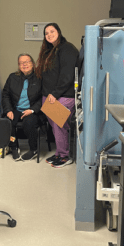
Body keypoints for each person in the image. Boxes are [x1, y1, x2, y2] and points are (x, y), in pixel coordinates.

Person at [35, 23, 79, 168]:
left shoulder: (67, 49)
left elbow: (67, 74)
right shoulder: (50, 51)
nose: (49, 35)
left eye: (52, 31)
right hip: (50, 96)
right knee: (55, 126)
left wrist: (55, 93)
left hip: (63, 94)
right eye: (46, 33)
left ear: (59, 32)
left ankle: (65, 156)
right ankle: (60, 153)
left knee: (59, 124)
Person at [2, 53, 42, 161]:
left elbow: (43, 97)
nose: (24, 64)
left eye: (27, 62)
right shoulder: (12, 77)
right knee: (8, 122)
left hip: (32, 110)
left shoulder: (40, 77)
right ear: (18, 66)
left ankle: (33, 149)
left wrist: (33, 110)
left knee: (29, 123)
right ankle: (14, 147)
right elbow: (5, 95)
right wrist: (8, 110)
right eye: (21, 63)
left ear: (33, 63)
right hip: (16, 109)